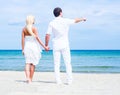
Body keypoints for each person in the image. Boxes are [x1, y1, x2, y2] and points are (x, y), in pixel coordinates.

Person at [45, 7, 86, 85]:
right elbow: (75, 20)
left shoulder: (51, 23)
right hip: (65, 45)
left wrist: (46, 45)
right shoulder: (65, 20)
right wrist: (82, 19)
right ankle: (69, 81)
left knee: (56, 64)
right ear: (60, 13)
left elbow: (47, 35)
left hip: (56, 45)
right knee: (68, 63)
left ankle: (58, 81)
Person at [22, 15, 49, 83]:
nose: (34, 21)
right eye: (34, 19)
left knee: (27, 63)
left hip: (27, 47)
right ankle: (30, 79)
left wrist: (22, 49)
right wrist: (44, 46)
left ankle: (28, 78)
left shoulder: (24, 29)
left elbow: (22, 40)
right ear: (32, 20)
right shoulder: (34, 29)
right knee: (33, 64)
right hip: (34, 47)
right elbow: (37, 39)